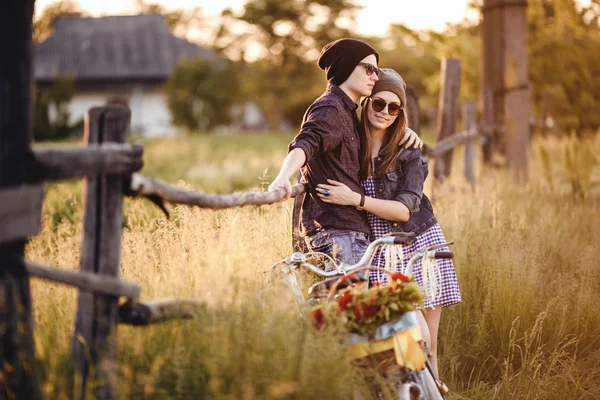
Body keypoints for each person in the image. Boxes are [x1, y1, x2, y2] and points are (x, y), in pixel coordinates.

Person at [315, 68, 461, 378]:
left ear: (400, 112)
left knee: (428, 344)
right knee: (405, 340)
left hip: (419, 243)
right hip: (381, 253)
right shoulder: (350, 142)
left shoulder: (409, 152)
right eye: (379, 103)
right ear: (366, 102)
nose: (385, 112)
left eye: (394, 107)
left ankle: (437, 394)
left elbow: (404, 211)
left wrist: (355, 200)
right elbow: (314, 138)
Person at [268, 39, 421, 265]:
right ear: (348, 66)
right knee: (355, 300)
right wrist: (282, 177)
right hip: (338, 233)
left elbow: (378, 128)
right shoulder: (330, 108)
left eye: (376, 71)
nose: (375, 77)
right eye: (369, 69)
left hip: (349, 234)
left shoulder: (349, 113)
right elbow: (305, 144)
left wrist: (404, 130)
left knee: (349, 300)